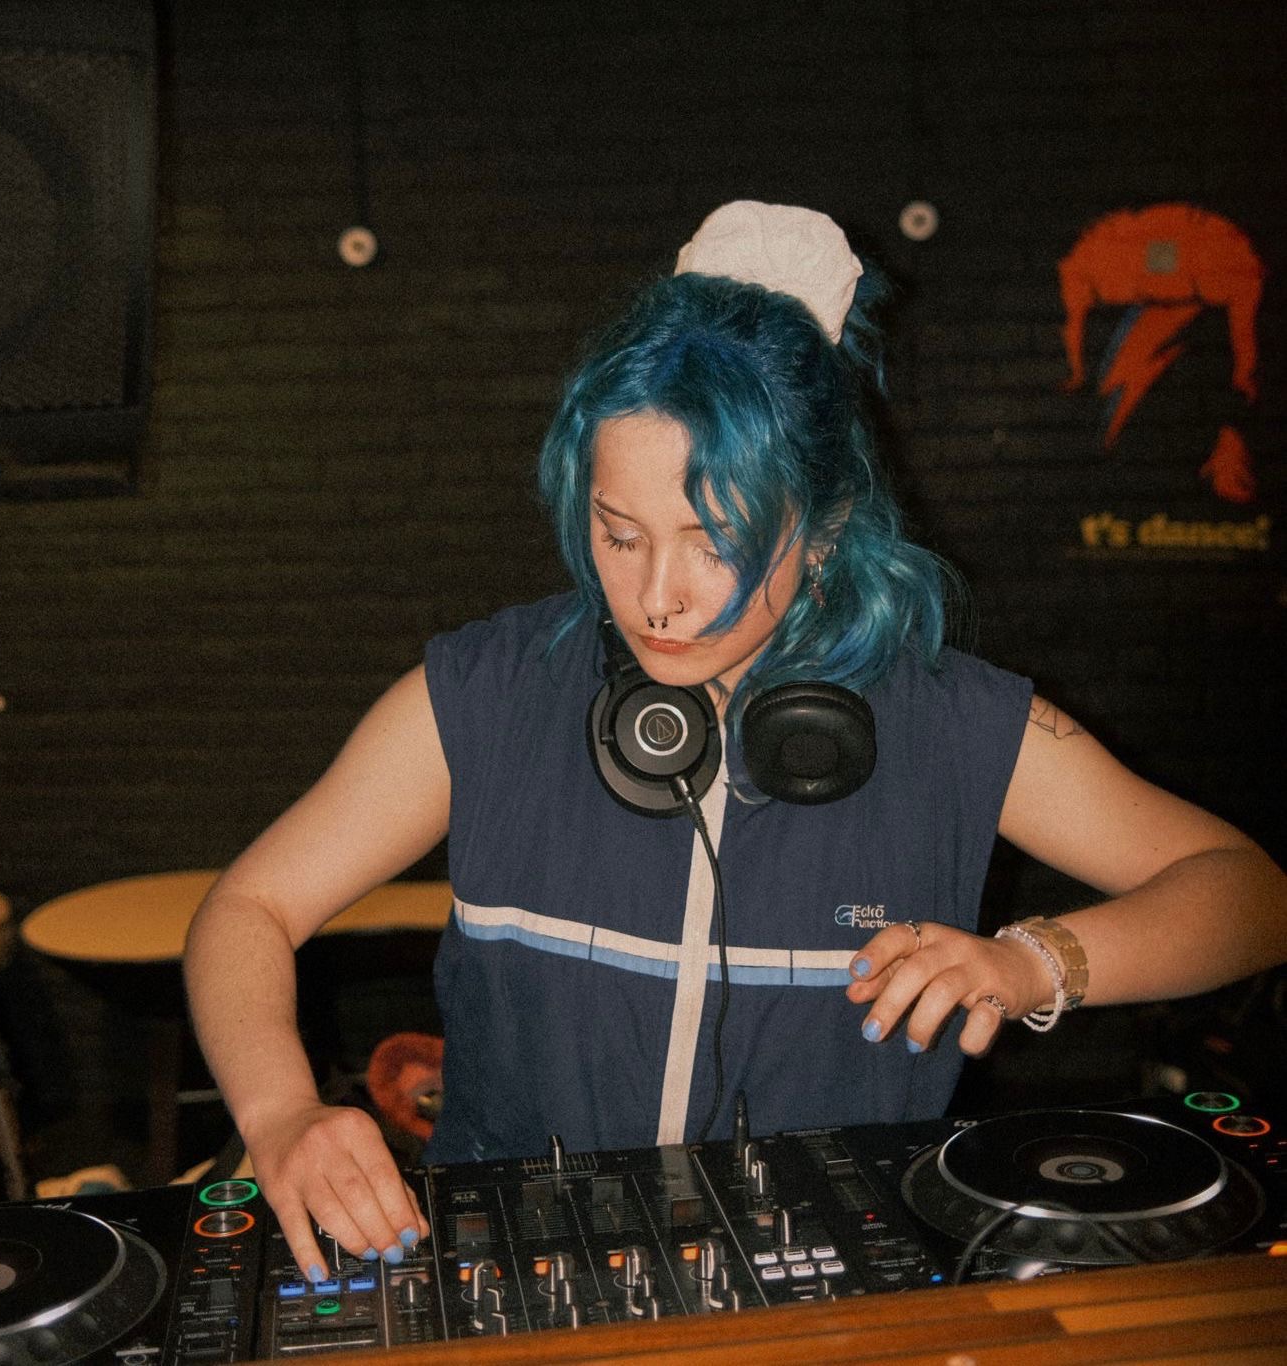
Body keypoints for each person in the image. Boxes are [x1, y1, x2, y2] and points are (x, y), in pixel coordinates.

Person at [184, 201, 1287, 1286]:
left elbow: (1251, 893)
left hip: (840, 1307)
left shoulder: (955, 719)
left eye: (714, 544)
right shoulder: (484, 693)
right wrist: (280, 1113)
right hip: (517, 1287)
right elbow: (249, 908)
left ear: (825, 526)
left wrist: (1033, 961)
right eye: (618, 534)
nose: (655, 598)